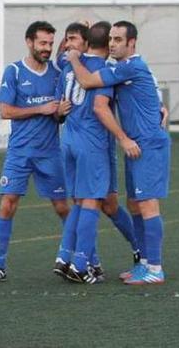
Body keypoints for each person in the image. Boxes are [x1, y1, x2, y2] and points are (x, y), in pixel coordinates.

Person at [64, 21, 171, 284]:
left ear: (132, 43)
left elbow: (87, 80)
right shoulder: (121, 68)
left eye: (118, 39)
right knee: (135, 204)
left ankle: (155, 269)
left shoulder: (132, 66)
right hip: (136, 143)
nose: (112, 43)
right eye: (110, 39)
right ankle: (144, 263)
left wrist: (76, 57)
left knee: (147, 204)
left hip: (147, 143)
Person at [0, 21, 70, 283]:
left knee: (64, 208)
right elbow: (6, 111)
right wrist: (41, 109)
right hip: (19, 153)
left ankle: (70, 258)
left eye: (50, 44)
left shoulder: (57, 74)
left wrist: (59, 113)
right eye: (42, 43)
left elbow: (58, 116)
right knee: (8, 204)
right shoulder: (14, 72)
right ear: (29, 42)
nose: (47, 48)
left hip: (50, 153)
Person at [53, 21, 115, 284]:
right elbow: (102, 107)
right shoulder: (104, 69)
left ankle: (64, 256)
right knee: (91, 201)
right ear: (108, 44)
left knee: (79, 201)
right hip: (91, 142)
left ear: (87, 42)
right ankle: (80, 265)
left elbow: (59, 107)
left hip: (67, 140)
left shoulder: (68, 65)